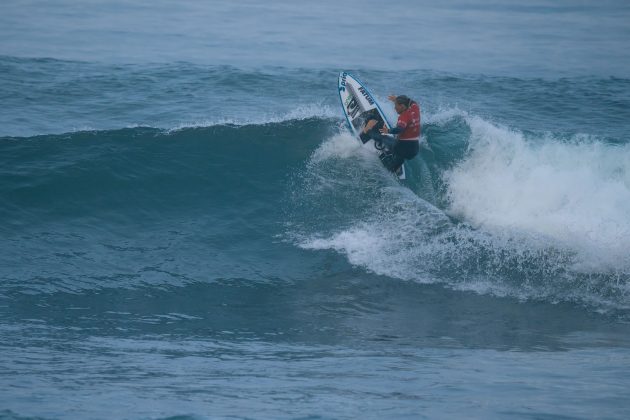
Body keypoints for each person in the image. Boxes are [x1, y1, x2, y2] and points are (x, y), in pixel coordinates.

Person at [361, 95, 421, 174]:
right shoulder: (415, 109)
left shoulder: (404, 117)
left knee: (383, 138)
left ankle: (366, 131)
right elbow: (412, 102)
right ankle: (396, 167)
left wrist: (388, 131)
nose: (394, 108)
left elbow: (400, 129)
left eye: (396, 105)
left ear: (402, 106)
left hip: (401, 148)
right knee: (399, 157)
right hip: (414, 150)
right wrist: (397, 99)